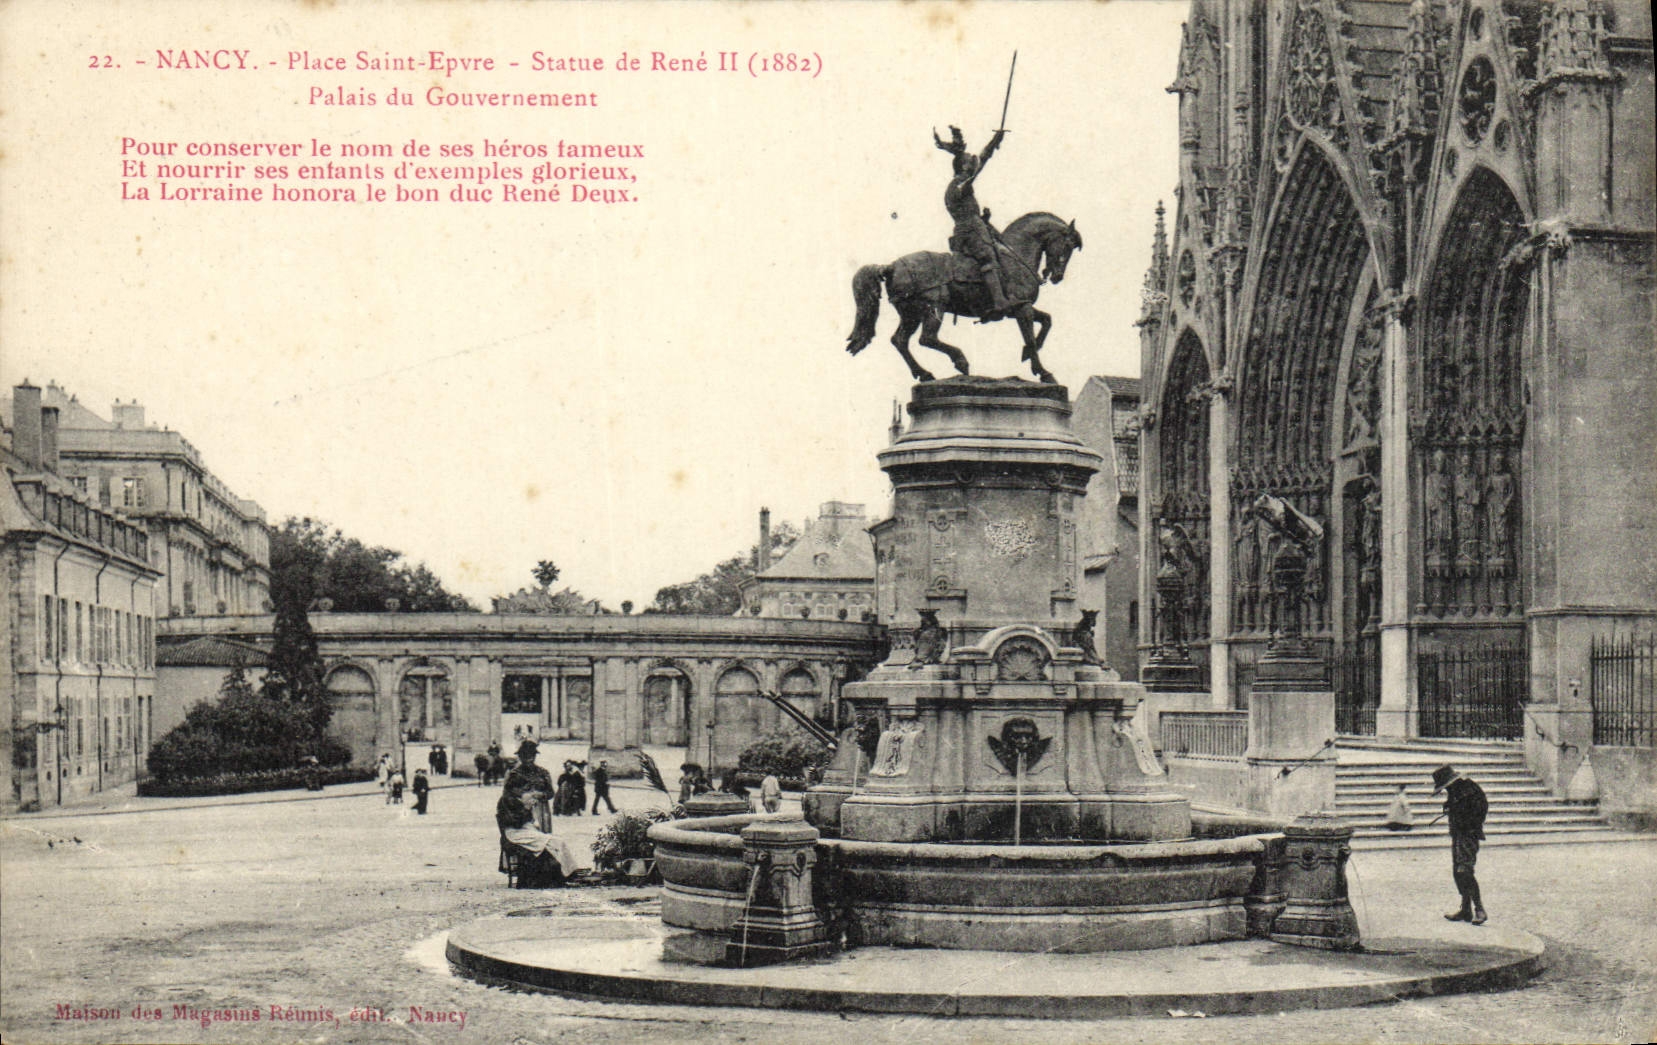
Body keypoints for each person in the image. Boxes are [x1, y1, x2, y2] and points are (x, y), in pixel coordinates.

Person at [933, 124, 1011, 315]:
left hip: (973, 227)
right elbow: (981, 163)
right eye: (969, 161)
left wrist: (995, 141)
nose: (972, 162)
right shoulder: (958, 186)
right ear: (963, 166)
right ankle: (999, 301)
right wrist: (993, 143)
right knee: (988, 257)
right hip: (970, 232)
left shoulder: (958, 184)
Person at [1433, 764, 1489, 924]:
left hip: (1468, 835)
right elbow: (1453, 805)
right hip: (1458, 834)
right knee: (1458, 871)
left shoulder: (1470, 789)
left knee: (1465, 870)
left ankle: (1479, 909)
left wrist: (1467, 821)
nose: (1446, 790)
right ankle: (1465, 910)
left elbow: (1481, 809)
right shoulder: (1455, 790)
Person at [495, 786, 580, 888]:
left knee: (555, 841)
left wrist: (529, 809)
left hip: (524, 830)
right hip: (515, 833)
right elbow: (514, 822)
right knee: (549, 842)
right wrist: (526, 808)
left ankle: (569, 872)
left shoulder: (518, 798)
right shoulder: (507, 801)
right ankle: (564, 874)